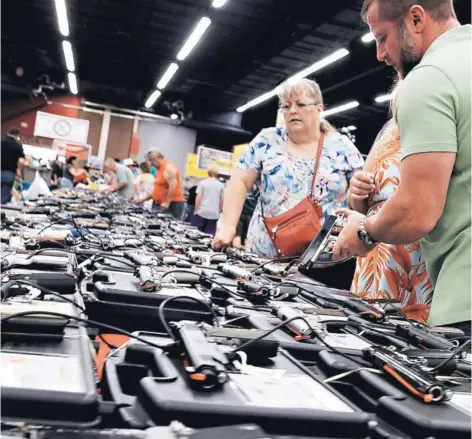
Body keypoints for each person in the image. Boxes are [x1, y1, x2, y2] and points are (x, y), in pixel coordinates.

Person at [334, 0, 471, 333]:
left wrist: (365, 230)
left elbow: (416, 211)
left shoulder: (429, 78)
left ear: (416, 18)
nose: (380, 54)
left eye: (382, 37)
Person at [213, 78, 364, 288]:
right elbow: (239, 181)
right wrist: (228, 226)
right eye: (286, 106)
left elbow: (360, 194)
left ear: (319, 109)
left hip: (326, 262)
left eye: (300, 104)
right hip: (267, 260)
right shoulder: (267, 140)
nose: (292, 111)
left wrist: (359, 194)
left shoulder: (341, 146)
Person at [349, 81, 433, 323]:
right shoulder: (388, 135)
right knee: (365, 330)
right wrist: (357, 193)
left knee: (412, 340)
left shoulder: (442, 138)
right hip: (373, 252)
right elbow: (362, 202)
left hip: (416, 256)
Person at [137, 150, 185, 219]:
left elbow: (173, 185)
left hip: (172, 204)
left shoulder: (168, 167)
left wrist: (167, 202)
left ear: (159, 157)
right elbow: (156, 191)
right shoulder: (158, 170)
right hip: (159, 204)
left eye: (152, 160)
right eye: (149, 161)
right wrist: (143, 200)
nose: (150, 164)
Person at [192, 167, 224, 236]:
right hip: (214, 213)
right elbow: (222, 200)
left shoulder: (203, 183)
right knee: (209, 235)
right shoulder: (221, 185)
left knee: (196, 233)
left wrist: (196, 209)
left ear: (208, 173)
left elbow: (198, 197)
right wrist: (220, 210)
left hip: (202, 211)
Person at [1, 128, 25, 204]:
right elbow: (21, 161)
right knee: (4, 196)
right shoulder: (17, 146)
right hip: (9, 173)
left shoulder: (1, 141)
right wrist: (19, 173)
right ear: (17, 135)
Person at [233, 185, 259, 250]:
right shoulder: (256, 187)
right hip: (251, 214)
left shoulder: (242, 185)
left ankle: (235, 252)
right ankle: (247, 252)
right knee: (248, 236)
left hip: (240, 213)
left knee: (237, 234)